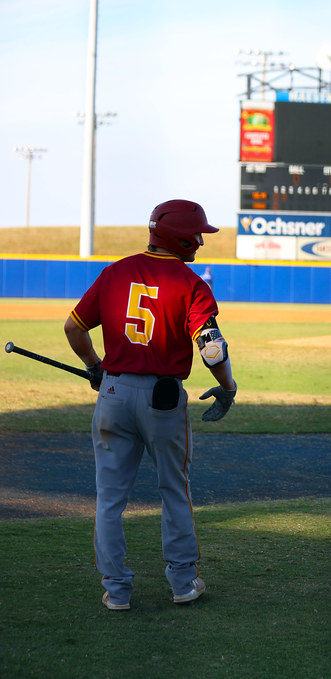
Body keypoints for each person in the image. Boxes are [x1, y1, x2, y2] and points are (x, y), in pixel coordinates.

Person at [63, 199, 238, 611]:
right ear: (180, 236)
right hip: (162, 400)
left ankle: (117, 590)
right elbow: (211, 349)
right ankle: (182, 582)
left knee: (109, 498)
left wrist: (94, 366)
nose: (200, 241)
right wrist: (227, 386)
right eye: (197, 234)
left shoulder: (114, 272)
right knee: (174, 489)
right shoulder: (192, 284)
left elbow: (73, 327)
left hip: (113, 394)